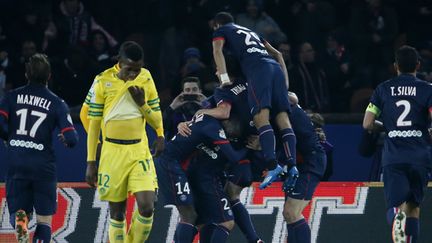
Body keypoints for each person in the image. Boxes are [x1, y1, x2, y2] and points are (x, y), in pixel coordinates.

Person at [85, 41, 164, 243]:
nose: (134, 75)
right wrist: (91, 161)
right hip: (112, 152)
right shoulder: (102, 81)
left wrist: (159, 132)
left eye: (137, 70)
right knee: (117, 213)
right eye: (130, 70)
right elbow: (93, 123)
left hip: (139, 150)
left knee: (147, 207)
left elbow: (156, 117)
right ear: (119, 62)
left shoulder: (146, 77)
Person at [212, 12, 298, 190]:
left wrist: (224, 77)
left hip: (259, 71)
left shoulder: (222, 31)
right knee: (283, 120)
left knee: (261, 118)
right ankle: (292, 165)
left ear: (217, 25)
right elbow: (278, 55)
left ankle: (272, 165)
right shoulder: (250, 31)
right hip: (275, 69)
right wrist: (285, 82)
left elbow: (217, 50)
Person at [0, 53, 78, 242]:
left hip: (17, 163)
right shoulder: (57, 103)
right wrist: (66, 139)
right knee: (44, 221)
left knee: (20, 215)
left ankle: (22, 235)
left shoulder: (11, 97)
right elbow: (72, 138)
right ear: (49, 76)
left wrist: (9, 137)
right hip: (43, 166)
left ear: (27, 74)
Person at [363, 45, 432, 243]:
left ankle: (395, 217)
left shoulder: (383, 89)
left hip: (394, 155)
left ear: (396, 66)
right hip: (420, 155)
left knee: (396, 205)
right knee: (414, 207)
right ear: (418, 65)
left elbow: (367, 123)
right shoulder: (428, 89)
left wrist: (388, 127)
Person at [156, 113, 248, 243]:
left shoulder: (207, 121)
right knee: (189, 215)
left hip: (181, 167)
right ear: (225, 119)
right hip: (169, 163)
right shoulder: (213, 127)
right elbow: (234, 158)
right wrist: (249, 147)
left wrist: (183, 123)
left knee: (197, 218)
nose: (236, 129)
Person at [282, 92, 327, 243]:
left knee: (292, 212)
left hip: (309, 162)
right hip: (295, 164)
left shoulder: (283, 107)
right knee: (289, 215)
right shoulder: (281, 106)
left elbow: (292, 97)